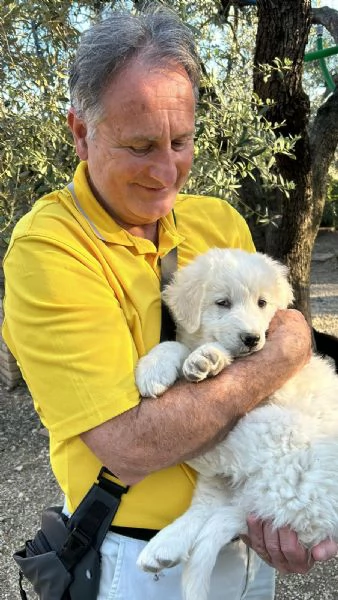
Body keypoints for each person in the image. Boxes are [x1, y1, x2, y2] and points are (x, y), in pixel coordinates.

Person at [3, 5, 337, 600]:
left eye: (180, 141)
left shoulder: (218, 221)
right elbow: (133, 446)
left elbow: (275, 326)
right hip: (134, 558)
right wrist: (286, 352)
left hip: (242, 529)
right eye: (140, 145)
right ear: (81, 132)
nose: (166, 171)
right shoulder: (49, 250)